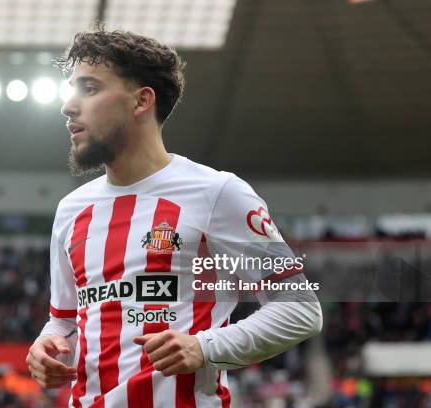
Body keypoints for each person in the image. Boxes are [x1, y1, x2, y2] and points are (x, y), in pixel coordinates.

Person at [26, 25, 323, 407]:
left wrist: (205, 347)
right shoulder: (71, 210)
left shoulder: (219, 194)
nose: (68, 106)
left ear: (141, 101)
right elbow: (65, 321)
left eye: (89, 88)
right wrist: (46, 347)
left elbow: (300, 309)